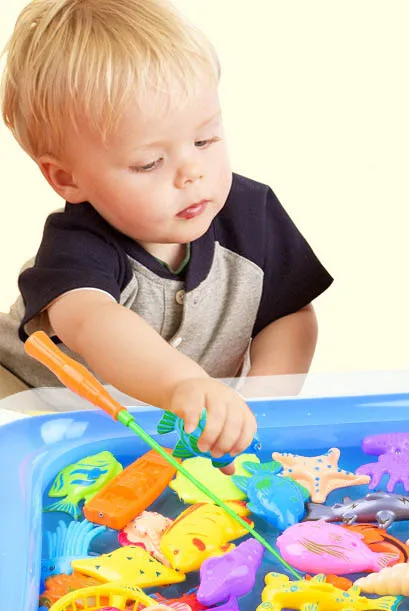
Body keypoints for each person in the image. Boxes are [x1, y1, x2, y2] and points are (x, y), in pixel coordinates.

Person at [0, 0, 332, 462]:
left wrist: (260, 408)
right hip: (36, 413)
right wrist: (182, 383)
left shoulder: (252, 215)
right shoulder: (77, 243)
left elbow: (288, 313)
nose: (191, 172)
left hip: (165, 434)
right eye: (149, 163)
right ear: (67, 178)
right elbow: (92, 322)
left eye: (204, 140)